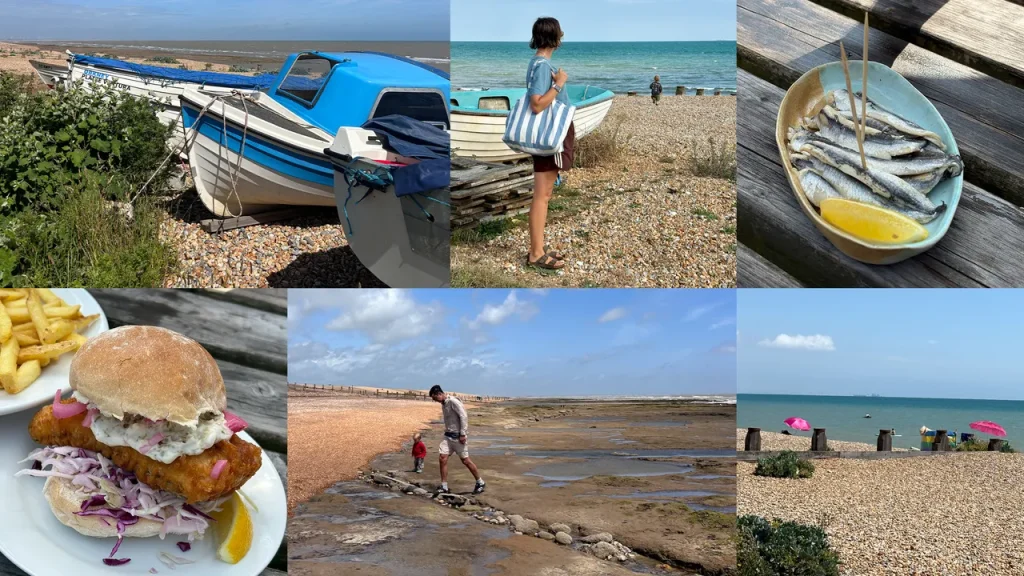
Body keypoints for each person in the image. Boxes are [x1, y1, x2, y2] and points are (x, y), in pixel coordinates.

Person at [525, 16, 572, 271]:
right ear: (555, 37)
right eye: (559, 34)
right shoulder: (542, 65)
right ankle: (535, 253)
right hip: (549, 136)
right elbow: (537, 104)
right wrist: (560, 83)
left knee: (544, 194)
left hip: (548, 135)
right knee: (542, 195)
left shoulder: (537, 63)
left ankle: (539, 248)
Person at [429, 385, 485, 494]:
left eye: (435, 398)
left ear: (439, 394)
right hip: (448, 436)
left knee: (465, 461)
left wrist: (463, 434)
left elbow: (463, 416)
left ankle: (480, 482)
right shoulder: (443, 404)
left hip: (458, 436)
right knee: (442, 458)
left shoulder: (453, 402)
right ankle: (444, 486)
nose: (435, 401)